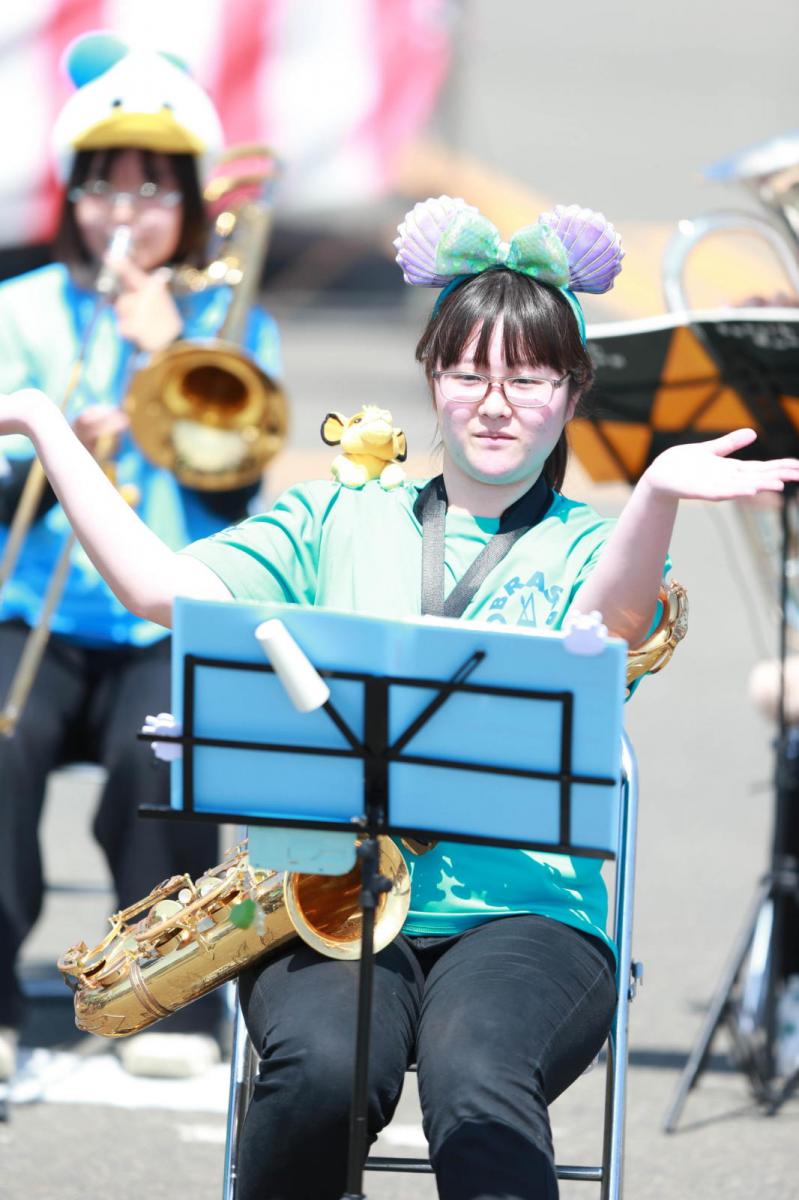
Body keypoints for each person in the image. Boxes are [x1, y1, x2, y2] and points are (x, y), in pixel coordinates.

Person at [1, 193, 797, 1199]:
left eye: (528, 375)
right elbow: (160, 590)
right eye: (467, 371)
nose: (494, 399)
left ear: (571, 390)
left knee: (478, 1085)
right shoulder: (334, 513)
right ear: (431, 376)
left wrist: (655, 495)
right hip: (325, 893)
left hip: (527, 916)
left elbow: (611, 621)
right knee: (323, 1076)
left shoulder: (590, 546)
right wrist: (39, 422)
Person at [0, 33, 281, 1081]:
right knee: (1, 741)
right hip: (35, 609)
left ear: (193, 203)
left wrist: (168, 351)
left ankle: (167, 996)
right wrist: (65, 438)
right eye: (105, 190)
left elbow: (234, 491)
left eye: (153, 192)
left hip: (171, 613)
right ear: (72, 198)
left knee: (156, 749)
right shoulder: (21, 313)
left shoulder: (227, 321)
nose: (126, 215)